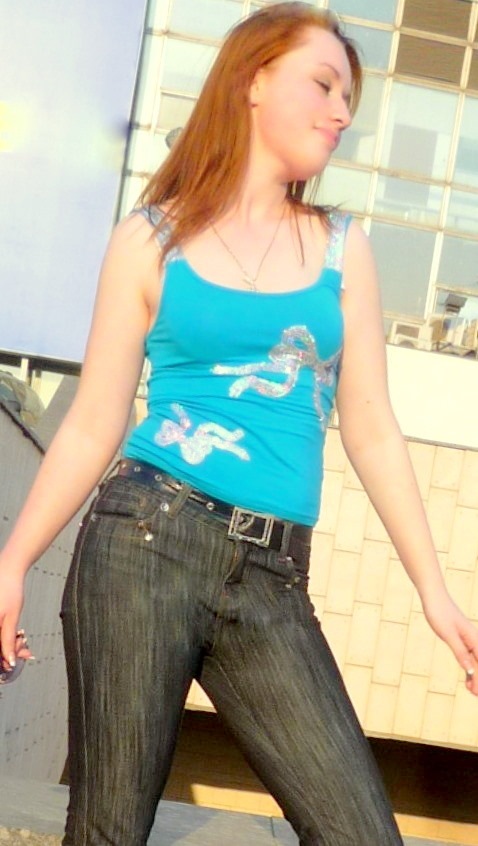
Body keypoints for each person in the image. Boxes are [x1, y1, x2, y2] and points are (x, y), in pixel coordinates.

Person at [0, 3, 477, 844]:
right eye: (323, 85)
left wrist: (434, 595)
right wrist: (12, 563)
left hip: (272, 578)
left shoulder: (344, 250)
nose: (341, 113)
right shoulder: (151, 239)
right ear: (254, 82)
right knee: (108, 831)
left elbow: (372, 428)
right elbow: (94, 420)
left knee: (363, 834)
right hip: (145, 541)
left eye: (349, 99)